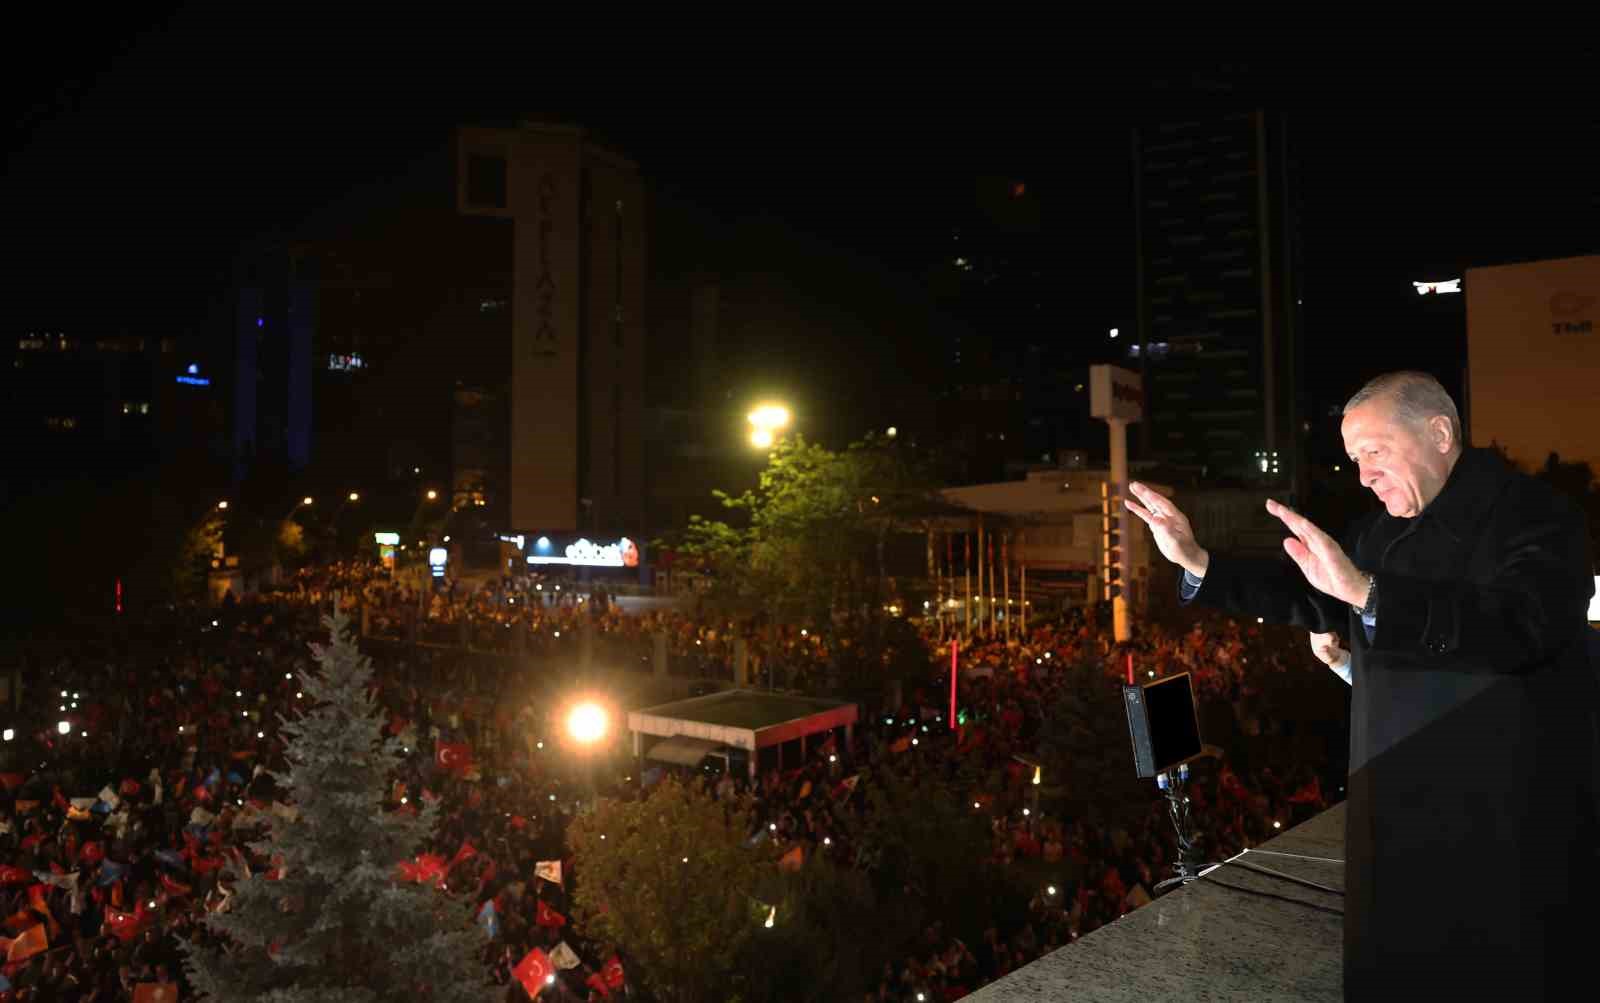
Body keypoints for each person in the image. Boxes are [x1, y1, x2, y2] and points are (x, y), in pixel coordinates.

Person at [1123, 371, 1598, 1000]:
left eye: (1374, 452)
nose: (1363, 474)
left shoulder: (1537, 517)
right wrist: (1197, 561)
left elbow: (1521, 625)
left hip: (1500, 824)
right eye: (1353, 460)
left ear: (1440, 432)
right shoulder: (1381, 533)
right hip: (1395, 808)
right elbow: (1316, 595)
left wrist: (1370, 593)